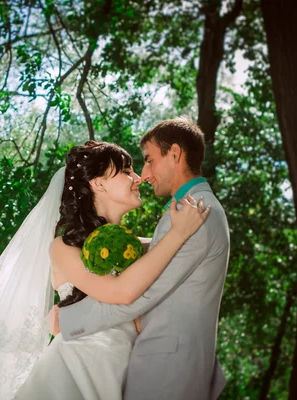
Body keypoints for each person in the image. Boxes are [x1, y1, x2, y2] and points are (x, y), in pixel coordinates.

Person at [0, 140, 208, 400]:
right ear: (98, 183)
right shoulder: (63, 248)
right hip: (75, 369)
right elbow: (121, 292)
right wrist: (178, 234)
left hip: (129, 370)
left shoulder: (143, 250)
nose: (138, 178)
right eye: (127, 171)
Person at [54, 117, 230, 400]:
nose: (144, 175)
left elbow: (139, 294)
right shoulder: (185, 212)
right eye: (131, 169)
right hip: (130, 364)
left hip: (167, 371)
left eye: (148, 161)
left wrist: (68, 318)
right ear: (97, 184)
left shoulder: (196, 213)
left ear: (174, 154)